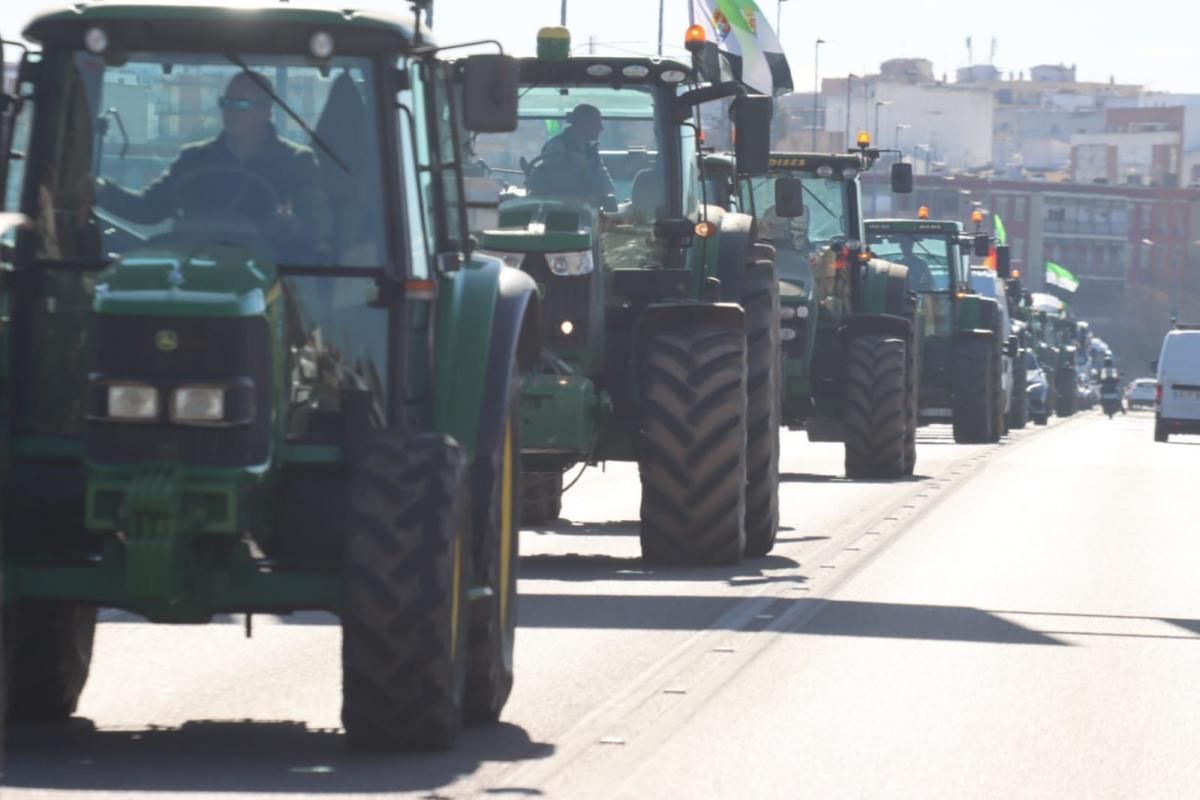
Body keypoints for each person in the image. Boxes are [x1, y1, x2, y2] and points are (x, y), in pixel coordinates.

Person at [95, 72, 332, 260]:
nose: (230, 111)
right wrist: (100, 190)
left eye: (240, 105)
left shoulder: (297, 161)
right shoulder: (194, 158)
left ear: (266, 111)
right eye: (225, 103)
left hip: (270, 278)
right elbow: (149, 208)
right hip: (195, 273)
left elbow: (316, 224)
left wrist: (290, 224)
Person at [528, 103, 615, 207]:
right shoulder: (556, 147)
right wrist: (574, 168)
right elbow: (552, 183)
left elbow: (607, 186)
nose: (601, 128)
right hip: (560, 209)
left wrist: (588, 173)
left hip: (587, 208)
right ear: (583, 123)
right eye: (596, 123)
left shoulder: (590, 150)